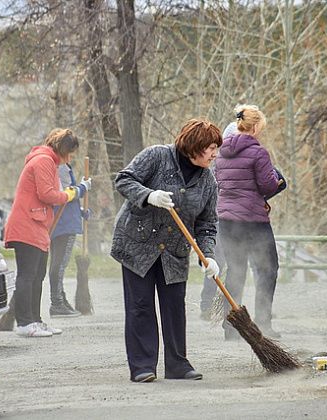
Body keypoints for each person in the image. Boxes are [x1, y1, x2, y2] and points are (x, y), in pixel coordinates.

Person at [111, 118, 222, 383]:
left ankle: (177, 365)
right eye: (211, 147)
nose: (215, 153)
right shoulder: (157, 156)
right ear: (195, 147)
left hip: (174, 251)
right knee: (140, 305)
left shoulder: (208, 182)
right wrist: (148, 195)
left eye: (217, 147)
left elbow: (207, 224)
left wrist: (208, 255)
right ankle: (142, 366)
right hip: (137, 245)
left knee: (174, 306)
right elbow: (123, 179)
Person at [4, 128, 82, 338]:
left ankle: (35, 320)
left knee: (37, 275)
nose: (70, 159)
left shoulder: (47, 161)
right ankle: (24, 323)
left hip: (37, 225)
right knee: (27, 276)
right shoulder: (43, 161)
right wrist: (69, 194)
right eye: (71, 154)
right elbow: (47, 194)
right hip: (26, 225)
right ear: (64, 150)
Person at [214, 104, 283, 340]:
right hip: (254, 221)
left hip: (227, 221)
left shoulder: (221, 152)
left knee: (235, 271)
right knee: (267, 269)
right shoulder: (258, 153)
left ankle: (232, 328)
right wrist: (278, 180)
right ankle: (263, 324)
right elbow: (267, 185)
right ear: (254, 127)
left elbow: (220, 182)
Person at [198, 121, 238, 321]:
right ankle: (207, 305)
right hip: (218, 221)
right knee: (216, 263)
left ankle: (229, 308)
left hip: (235, 221)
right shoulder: (218, 165)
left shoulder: (245, 163)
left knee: (234, 264)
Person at [49, 163, 92, 318]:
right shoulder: (60, 167)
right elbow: (66, 194)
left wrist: (79, 211)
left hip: (61, 222)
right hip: (63, 225)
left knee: (57, 265)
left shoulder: (60, 165)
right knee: (59, 265)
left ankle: (60, 300)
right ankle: (57, 303)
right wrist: (82, 188)